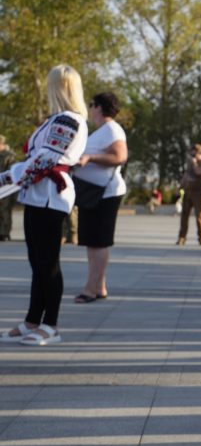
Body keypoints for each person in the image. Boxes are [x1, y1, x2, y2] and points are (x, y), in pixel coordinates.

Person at [0, 64, 88, 346]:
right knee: (37, 262)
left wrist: (5, 179)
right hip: (39, 194)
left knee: (48, 263)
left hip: (51, 196)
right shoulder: (58, 119)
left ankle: (51, 325)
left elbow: (45, 159)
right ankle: (31, 321)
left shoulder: (69, 119)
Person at [74, 91, 129, 304]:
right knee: (92, 242)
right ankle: (99, 286)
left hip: (104, 193)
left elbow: (120, 156)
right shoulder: (103, 131)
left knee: (99, 242)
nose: (89, 108)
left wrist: (90, 157)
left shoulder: (112, 129)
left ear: (99, 107)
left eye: (91, 104)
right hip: (93, 192)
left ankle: (91, 288)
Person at [177, 143, 201, 245]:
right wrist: (180, 187)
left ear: (199, 152)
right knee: (184, 215)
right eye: (191, 152)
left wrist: (194, 163)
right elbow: (186, 175)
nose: (191, 155)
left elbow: (198, 172)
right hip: (188, 192)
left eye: (193, 153)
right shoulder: (190, 163)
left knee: (200, 216)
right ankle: (182, 237)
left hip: (200, 193)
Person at [0, 134, 15, 241]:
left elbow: (11, 172)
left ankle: (4, 232)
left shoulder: (9, 156)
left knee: (4, 210)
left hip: (5, 187)